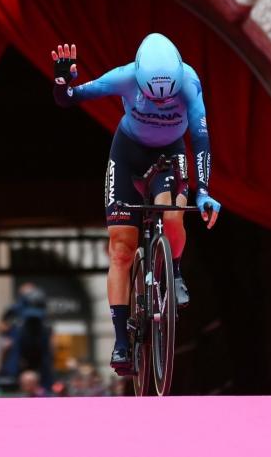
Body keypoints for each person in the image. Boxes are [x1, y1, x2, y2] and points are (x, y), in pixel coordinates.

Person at [51, 35, 221, 373]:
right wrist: (62, 82)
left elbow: (201, 139)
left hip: (170, 154)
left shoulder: (189, 82)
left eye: (168, 99)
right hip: (128, 154)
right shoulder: (123, 76)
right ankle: (121, 342)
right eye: (152, 99)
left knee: (172, 215)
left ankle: (173, 271)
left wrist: (203, 191)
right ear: (138, 79)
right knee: (120, 250)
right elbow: (69, 99)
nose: (161, 105)